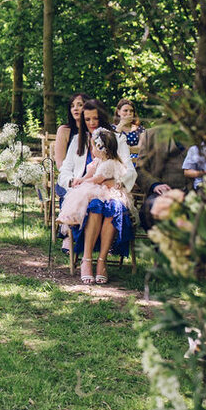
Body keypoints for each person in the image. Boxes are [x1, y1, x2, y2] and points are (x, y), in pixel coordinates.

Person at [57, 99, 136, 283]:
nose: (92, 123)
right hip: (86, 191)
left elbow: (129, 170)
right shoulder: (78, 140)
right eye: (87, 119)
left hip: (112, 189)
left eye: (95, 118)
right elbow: (66, 170)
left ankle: (102, 261)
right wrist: (72, 181)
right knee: (94, 206)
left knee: (112, 207)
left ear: (103, 118)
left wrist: (114, 182)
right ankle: (86, 260)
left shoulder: (117, 139)